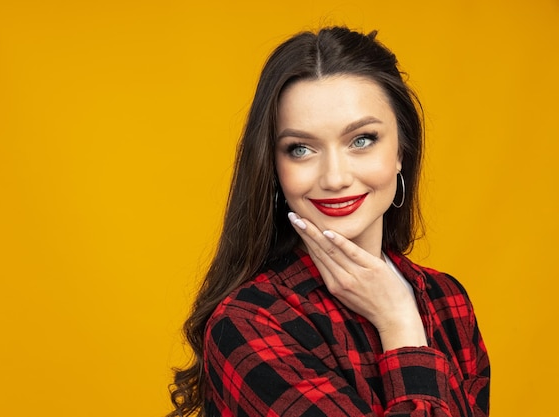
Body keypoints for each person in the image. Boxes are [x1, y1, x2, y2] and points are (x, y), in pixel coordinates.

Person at [168, 26, 490, 417]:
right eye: (300, 149)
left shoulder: (447, 301)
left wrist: (405, 312)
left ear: (402, 149)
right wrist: (400, 324)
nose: (334, 177)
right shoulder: (247, 323)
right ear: (273, 167)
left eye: (362, 139)